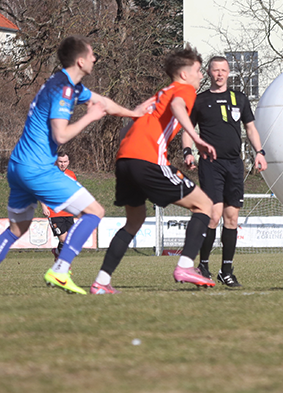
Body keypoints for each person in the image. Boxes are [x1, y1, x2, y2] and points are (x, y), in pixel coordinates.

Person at [0, 36, 151, 297]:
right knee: (94, 211)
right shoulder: (63, 90)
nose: (95, 58)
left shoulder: (65, 84)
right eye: (92, 54)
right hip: (37, 168)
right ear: (81, 60)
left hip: (18, 166)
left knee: (18, 229)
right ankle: (61, 269)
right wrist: (89, 117)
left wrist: (134, 114)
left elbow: (103, 103)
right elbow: (61, 135)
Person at [90, 47, 219, 294]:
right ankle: (185, 266)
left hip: (124, 160)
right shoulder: (184, 90)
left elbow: (123, 132)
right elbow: (180, 107)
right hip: (148, 161)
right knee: (205, 206)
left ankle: (101, 282)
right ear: (183, 74)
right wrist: (196, 137)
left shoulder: (159, 95)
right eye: (198, 70)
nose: (201, 75)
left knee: (133, 221)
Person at [181, 56, 268, 288]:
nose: (219, 74)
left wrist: (259, 152)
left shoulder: (238, 98)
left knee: (232, 218)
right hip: (211, 164)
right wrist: (188, 151)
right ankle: (204, 267)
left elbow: (250, 128)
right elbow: (187, 130)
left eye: (223, 70)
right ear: (209, 73)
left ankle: (226, 271)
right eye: (215, 70)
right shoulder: (200, 101)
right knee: (213, 216)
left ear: (229, 72)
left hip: (234, 165)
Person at [41, 151, 78, 260]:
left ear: (68, 162)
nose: (62, 164)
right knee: (63, 239)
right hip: (54, 212)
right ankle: (63, 262)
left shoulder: (71, 175)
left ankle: (57, 252)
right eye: (60, 162)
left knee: (69, 240)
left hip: (68, 212)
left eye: (65, 162)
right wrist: (44, 207)